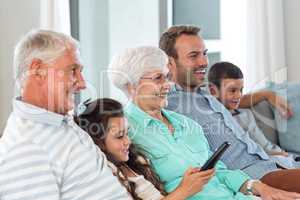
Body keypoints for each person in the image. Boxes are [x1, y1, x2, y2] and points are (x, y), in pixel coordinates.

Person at [108, 46, 300, 200]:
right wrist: (185, 189)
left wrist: (259, 188)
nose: (167, 84)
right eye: (158, 78)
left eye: (167, 77)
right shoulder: (125, 131)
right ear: (130, 85)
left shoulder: (186, 124)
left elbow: (221, 172)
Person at [159, 24, 300, 192]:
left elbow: (237, 99)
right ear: (169, 62)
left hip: (271, 164)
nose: (204, 62)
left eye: (204, 53)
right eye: (193, 56)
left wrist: (267, 95)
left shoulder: (206, 91)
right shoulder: (168, 103)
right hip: (250, 177)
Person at [0, 29, 131, 200]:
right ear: (38, 70)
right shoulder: (25, 147)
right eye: (72, 70)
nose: (83, 84)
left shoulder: (58, 122)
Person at [75, 98, 215, 200]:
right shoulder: (104, 175)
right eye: (119, 136)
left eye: (127, 133)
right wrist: (185, 189)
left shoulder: (134, 161)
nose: (127, 141)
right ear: (98, 142)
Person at [207, 61, 300, 169]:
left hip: (279, 156)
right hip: (261, 161)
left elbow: (261, 141)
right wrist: (273, 155)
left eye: (241, 90)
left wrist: (280, 153)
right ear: (213, 91)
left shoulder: (246, 113)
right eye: (232, 91)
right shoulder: (216, 119)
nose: (238, 95)